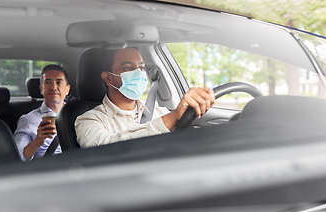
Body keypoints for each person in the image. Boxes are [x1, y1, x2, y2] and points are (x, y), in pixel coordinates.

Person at [75, 47, 215, 148]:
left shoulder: (160, 112)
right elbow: (105, 148)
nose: (138, 73)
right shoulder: (88, 120)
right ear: (108, 78)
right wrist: (170, 120)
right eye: (128, 68)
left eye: (141, 68)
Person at [14, 65, 70, 161]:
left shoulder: (78, 116)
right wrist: (38, 141)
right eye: (48, 82)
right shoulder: (28, 120)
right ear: (41, 89)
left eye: (58, 82)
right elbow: (18, 158)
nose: (53, 87)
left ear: (67, 90)